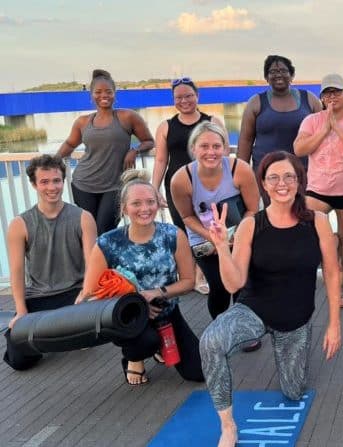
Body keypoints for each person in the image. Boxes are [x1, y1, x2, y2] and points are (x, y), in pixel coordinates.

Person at [199, 151, 342, 447]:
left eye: (289, 176)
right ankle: (227, 426)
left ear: (299, 180)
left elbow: (331, 271)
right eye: (273, 177)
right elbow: (234, 282)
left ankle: (290, 354)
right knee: (211, 342)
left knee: (293, 391)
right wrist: (222, 246)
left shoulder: (318, 221)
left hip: (295, 319)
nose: (282, 183)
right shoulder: (251, 225)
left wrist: (334, 324)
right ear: (263, 183)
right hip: (255, 309)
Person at [79, 169, 203, 385]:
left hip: (166, 311)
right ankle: (133, 359)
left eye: (150, 202)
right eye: (136, 203)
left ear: (158, 204)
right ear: (124, 208)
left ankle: (158, 347)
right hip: (126, 317)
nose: (144, 209)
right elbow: (91, 293)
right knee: (145, 341)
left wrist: (157, 293)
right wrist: (136, 304)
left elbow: (188, 282)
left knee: (198, 372)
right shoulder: (107, 243)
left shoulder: (174, 235)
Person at [4, 155, 97, 371]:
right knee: (19, 360)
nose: (52, 187)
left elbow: (92, 265)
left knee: (92, 332)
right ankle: (54, 335)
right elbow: (17, 272)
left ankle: (57, 334)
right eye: (44, 182)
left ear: (63, 181)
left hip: (74, 296)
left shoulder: (83, 217)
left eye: (56, 180)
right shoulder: (20, 224)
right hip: (38, 297)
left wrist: (86, 297)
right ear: (34, 184)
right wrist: (20, 311)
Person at [170, 122, 260, 319]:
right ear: (193, 148)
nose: (211, 152)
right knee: (219, 288)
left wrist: (238, 234)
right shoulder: (181, 179)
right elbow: (186, 216)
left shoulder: (240, 169)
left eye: (216, 146)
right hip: (205, 239)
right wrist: (213, 237)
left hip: (238, 235)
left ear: (225, 148)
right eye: (204, 146)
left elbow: (253, 209)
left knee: (241, 283)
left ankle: (242, 328)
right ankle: (219, 327)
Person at [294, 73, 343, 308]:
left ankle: (339, 286)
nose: (332, 96)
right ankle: (320, 267)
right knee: (309, 232)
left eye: (337, 91)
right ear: (322, 97)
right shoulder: (312, 120)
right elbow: (299, 149)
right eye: (327, 92)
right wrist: (325, 128)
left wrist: (338, 127)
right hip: (318, 189)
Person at [56, 69, 154, 235]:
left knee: (106, 231)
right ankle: (92, 262)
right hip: (84, 183)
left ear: (115, 94)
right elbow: (69, 143)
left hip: (115, 185)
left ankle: (105, 261)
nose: (104, 96)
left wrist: (134, 150)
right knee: (90, 231)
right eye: (98, 92)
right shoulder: (83, 121)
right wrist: (51, 163)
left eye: (109, 92)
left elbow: (149, 141)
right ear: (91, 95)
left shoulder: (127, 116)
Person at [151, 77, 225, 295]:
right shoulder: (166, 126)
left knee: (206, 229)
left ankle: (202, 274)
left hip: (207, 185)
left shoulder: (211, 122)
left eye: (189, 96)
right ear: (174, 100)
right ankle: (191, 275)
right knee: (183, 231)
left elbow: (223, 155)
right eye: (179, 97)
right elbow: (161, 160)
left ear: (197, 96)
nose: (184, 100)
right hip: (177, 187)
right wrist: (154, 189)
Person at [237, 55, 323, 170]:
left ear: (292, 75)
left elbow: (323, 136)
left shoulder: (310, 100)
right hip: (265, 175)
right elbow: (245, 141)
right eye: (272, 71)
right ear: (266, 77)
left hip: (303, 173)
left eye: (283, 71)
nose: (278, 74)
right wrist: (241, 173)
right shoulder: (255, 103)